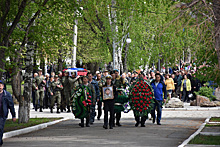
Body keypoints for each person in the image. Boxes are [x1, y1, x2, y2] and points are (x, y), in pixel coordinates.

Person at [0, 80, 16, 146]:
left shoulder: (6, 95)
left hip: (2, 114)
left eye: (0, 86)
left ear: (3, 86)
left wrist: (13, 115)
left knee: (0, 127)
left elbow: (11, 105)